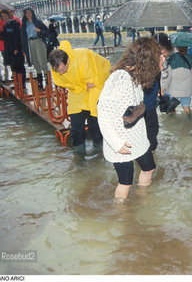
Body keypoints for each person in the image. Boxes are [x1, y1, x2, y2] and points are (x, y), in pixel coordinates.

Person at [97, 37, 162, 202]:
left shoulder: (136, 76)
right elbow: (103, 113)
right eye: (157, 58)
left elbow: (140, 104)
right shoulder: (119, 78)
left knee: (149, 168)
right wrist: (116, 143)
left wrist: (158, 71)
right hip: (120, 140)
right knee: (125, 182)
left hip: (136, 136)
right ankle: (122, 216)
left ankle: (141, 201)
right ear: (147, 60)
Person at [49, 41, 111, 153]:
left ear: (67, 61)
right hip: (77, 94)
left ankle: (100, 154)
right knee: (76, 129)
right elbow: (60, 82)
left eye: (63, 70)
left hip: (94, 92)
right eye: (59, 71)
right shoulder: (56, 67)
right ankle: (79, 157)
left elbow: (102, 72)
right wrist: (83, 85)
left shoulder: (84, 56)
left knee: (95, 126)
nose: (61, 73)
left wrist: (92, 82)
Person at [143, 33, 173, 153]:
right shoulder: (145, 64)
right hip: (143, 107)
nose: (165, 57)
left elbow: (157, 78)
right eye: (164, 52)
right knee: (150, 136)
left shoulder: (156, 62)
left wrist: (159, 89)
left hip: (150, 105)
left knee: (152, 134)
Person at [161, 46, 192, 113]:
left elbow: (166, 75)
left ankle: (173, 122)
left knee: (171, 108)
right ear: (187, 48)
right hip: (187, 89)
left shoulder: (170, 58)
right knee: (187, 108)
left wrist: (163, 87)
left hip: (173, 90)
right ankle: (190, 121)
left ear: (176, 47)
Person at [21, 7, 49, 90]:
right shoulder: (24, 24)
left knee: (42, 61)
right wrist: (24, 49)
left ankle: (47, 83)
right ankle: (40, 83)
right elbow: (22, 37)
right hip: (30, 43)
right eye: (26, 13)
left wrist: (40, 31)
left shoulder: (38, 22)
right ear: (25, 14)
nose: (28, 14)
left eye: (30, 12)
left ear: (32, 13)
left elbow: (47, 32)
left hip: (38, 41)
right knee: (35, 62)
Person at [0, 9, 26, 87]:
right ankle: (17, 83)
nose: (4, 18)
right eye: (2, 17)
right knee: (13, 67)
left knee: (19, 66)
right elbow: (3, 38)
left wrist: (17, 48)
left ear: (9, 16)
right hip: (8, 49)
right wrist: (0, 32)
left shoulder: (15, 23)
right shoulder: (5, 25)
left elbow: (18, 36)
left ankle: (22, 83)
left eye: (5, 16)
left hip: (16, 49)